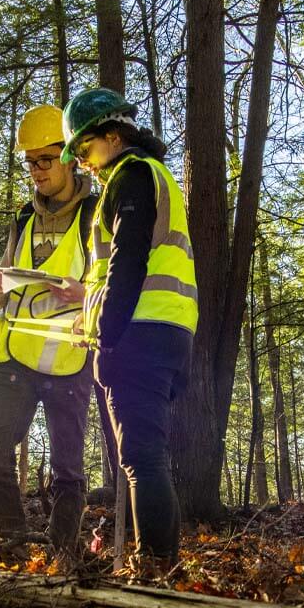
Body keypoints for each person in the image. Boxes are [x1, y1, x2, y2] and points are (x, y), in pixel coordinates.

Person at [59, 87, 198, 570]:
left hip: (138, 336)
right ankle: (158, 565)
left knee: (142, 458)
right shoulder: (155, 175)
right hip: (168, 332)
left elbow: (128, 263)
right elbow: (129, 268)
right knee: (147, 455)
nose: (83, 162)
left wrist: (109, 338)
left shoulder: (130, 175)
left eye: (84, 149)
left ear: (112, 136)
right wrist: (89, 308)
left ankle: (156, 569)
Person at [0, 104, 97, 557]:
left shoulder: (95, 214)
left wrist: (84, 293)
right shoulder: (23, 216)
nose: (37, 171)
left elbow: (118, 282)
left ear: (69, 157)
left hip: (70, 358)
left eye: (45, 159)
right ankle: (10, 549)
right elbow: (6, 291)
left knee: (68, 470)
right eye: (30, 162)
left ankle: (62, 555)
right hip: (13, 355)